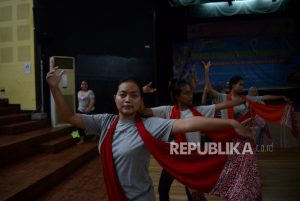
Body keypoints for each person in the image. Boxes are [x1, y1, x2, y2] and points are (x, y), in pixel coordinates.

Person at [46, 66, 257, 201]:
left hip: (142, 197)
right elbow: (70, 117)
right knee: (77, 133)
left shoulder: (150, 124)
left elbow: (189, 123)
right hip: (116, 196)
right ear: (115, 98)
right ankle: (77, 140)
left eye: (134, 95)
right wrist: (55, 88)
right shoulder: (104, 122)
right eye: (123, 95)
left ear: (140, 101)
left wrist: (231, 123)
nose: (128, 99)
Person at [140, 79, 246, 201]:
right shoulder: (167, 111)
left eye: (191, 92)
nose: (191, 96)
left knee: (192, 195)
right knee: (163, 190)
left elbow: (223, 105)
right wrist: (141, 92)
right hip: (174, 158)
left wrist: (243, 100)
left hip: (191, 159)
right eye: (186, 93)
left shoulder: (199, 111)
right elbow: (143, 111)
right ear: (177, 96)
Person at [203, 61, 298, 141]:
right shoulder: (223, 97)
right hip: (228, 134)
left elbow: (264, 97)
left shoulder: (245, 98)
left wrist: (281, 97)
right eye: (240, 84)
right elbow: (210, 89)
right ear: (233, 85)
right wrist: (206, 71)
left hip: (243, 133)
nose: (242, 87)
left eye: (243, 85)